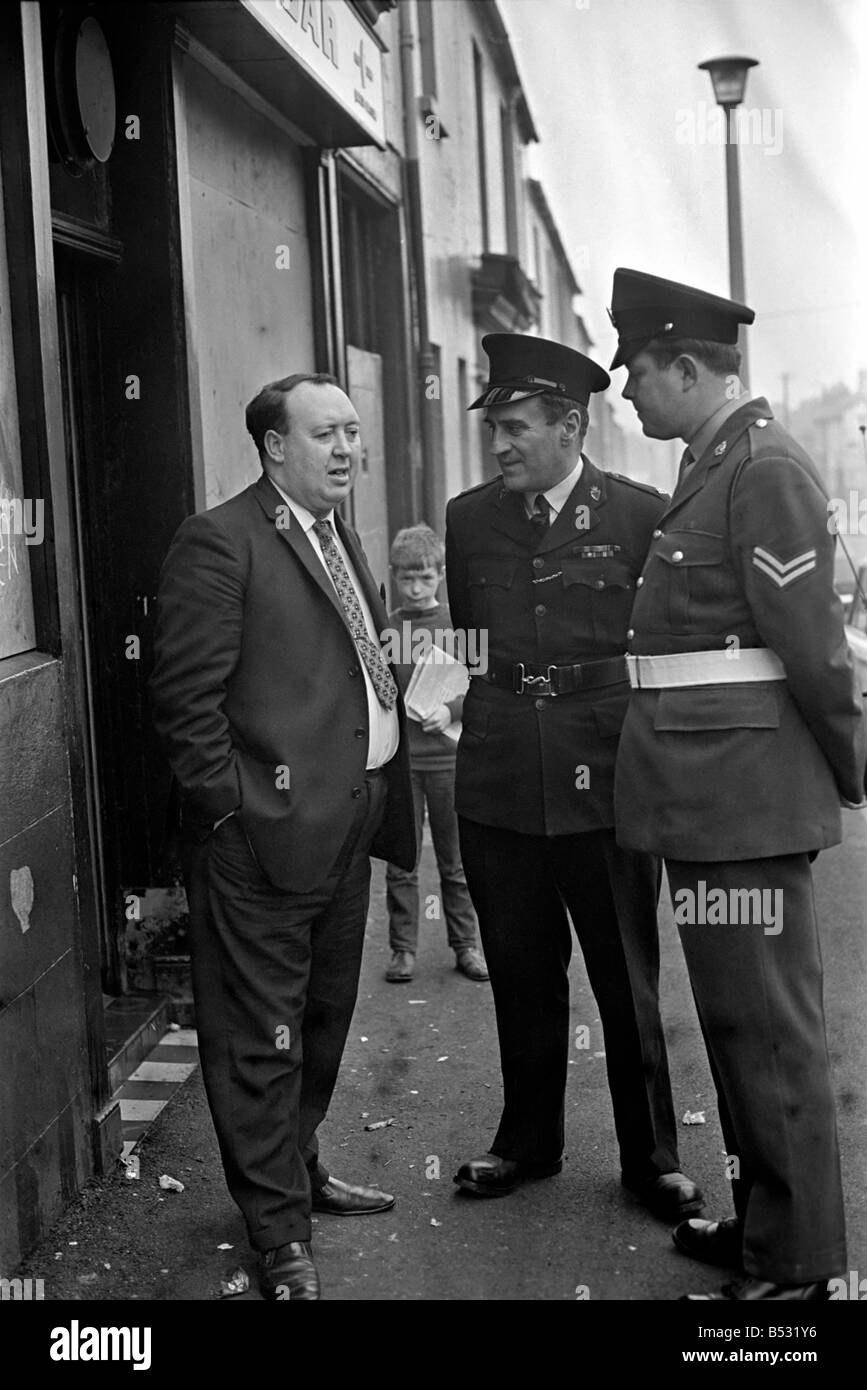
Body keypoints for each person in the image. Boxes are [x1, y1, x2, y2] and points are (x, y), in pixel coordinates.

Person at [608, 267, 867, 1301]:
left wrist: (849, 768)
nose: (625, 390)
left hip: (747, 802)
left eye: (635, 370)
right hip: (710, 799)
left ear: (686, 366)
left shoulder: (762, 469)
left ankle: (803, 1264)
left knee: (771, 1034)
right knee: (735, 1028)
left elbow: (820, 653)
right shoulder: (714, 461)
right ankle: (766, 1225)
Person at [150, 372, 416, 1301]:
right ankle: (277, 1233)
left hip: (347, 824)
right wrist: (238, 811)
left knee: (322, 1019)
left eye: (352, 432)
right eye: (325, 435)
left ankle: (295, 1172)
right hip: (262, 839)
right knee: (259, 1038)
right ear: (273, 447)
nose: (348, 450)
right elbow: (185, 706)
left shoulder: (335, 533)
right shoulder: (219, 544)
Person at [445, 333, 701, 1219]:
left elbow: (667, 648)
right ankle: (527, 1141)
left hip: (607, 777)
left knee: (624, 976)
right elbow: (468, 639)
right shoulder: (468, 518)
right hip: (501, 775)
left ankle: (651, 1157)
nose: (501, 444)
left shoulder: (638, 515)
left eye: (516, 426)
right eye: (496, 428)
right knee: (520, 968)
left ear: (569, 425)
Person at [383, 524, 489, 984]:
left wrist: (449, 711)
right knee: (401, 860)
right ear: (394, 576)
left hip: (448, 759)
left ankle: (465, 945)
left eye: (425, 578)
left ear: (441, 575)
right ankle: (402, 949)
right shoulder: (387, 628)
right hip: (403, 763)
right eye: (407, 579)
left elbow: (485, 688)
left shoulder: (457, 625)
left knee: (456, 860)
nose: (416, 588)